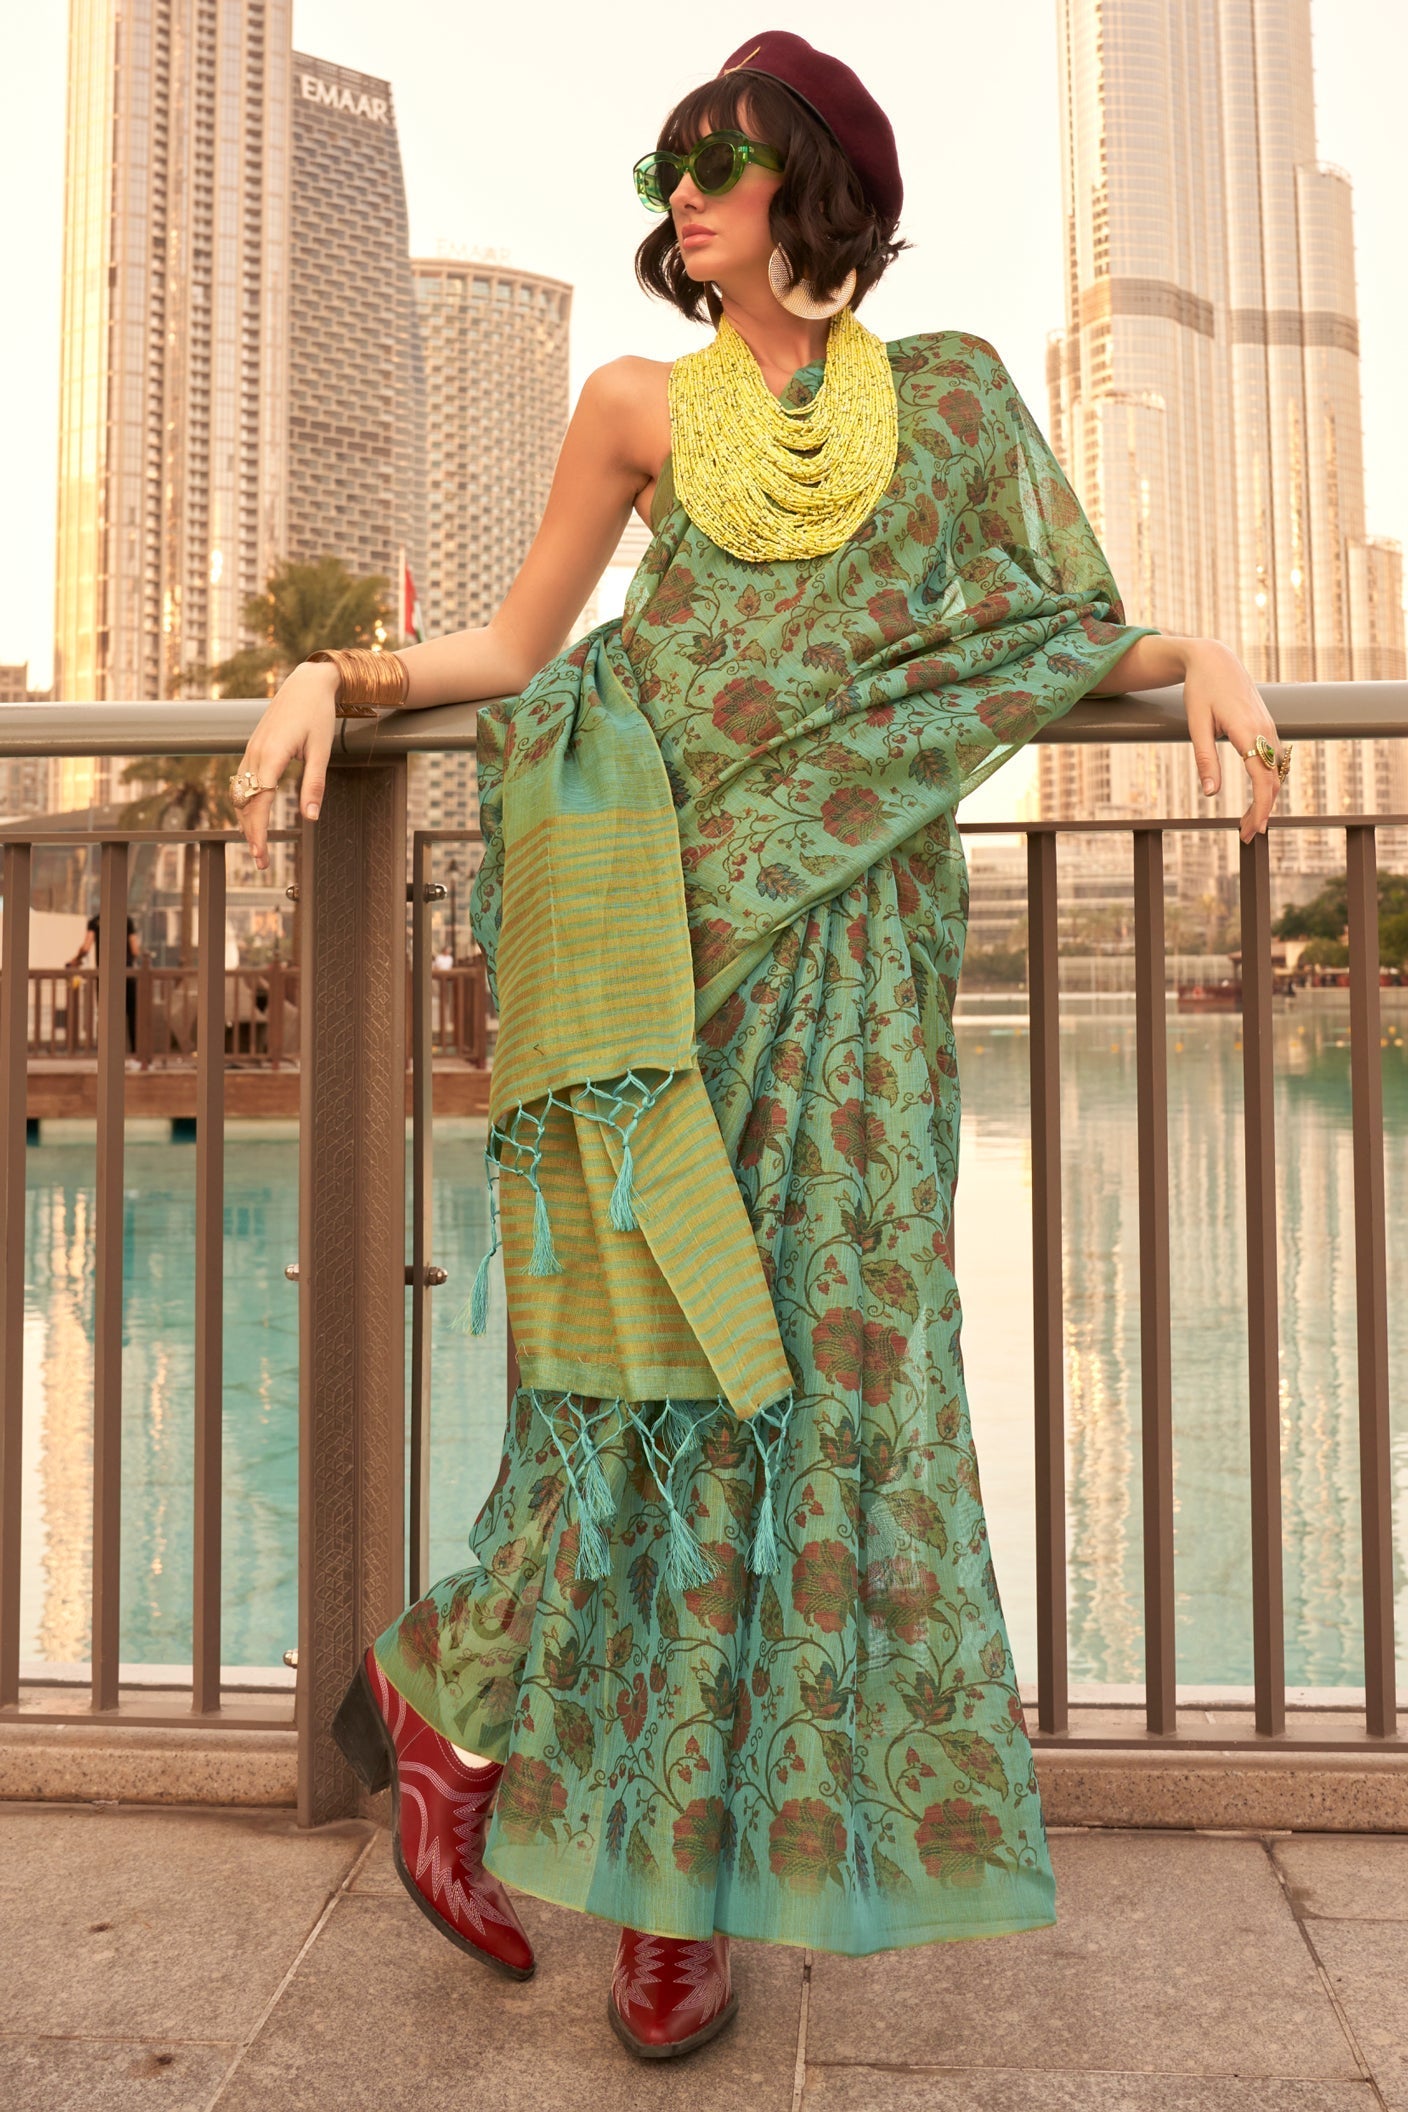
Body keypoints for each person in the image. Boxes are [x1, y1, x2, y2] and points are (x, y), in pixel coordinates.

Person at [229, 30, 1289, 2060]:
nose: (681, 198)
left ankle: (636, 1851)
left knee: (824, 1397)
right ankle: (533, 1788)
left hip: (864, 976)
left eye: (715, 163)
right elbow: (516, 648)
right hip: (673, 968)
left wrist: (1192, 656)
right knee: (653, 1396)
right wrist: (328, 676)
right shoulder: (635, 406)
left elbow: (1045, 623)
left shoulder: (952, 398)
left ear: (811, 182)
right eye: (669, 170)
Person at [67, 906, 141, 1058]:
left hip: (105, 976)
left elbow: (86, 947)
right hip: (127, 974)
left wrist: (75, 960)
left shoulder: (95, 921)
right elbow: (135, 949)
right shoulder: (127, 920)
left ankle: (108, 1052)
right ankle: (135, 1053)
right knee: (131, 1014)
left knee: (107, 1014)